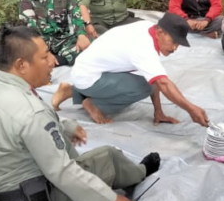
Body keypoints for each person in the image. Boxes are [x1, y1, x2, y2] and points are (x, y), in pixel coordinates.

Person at [0, 26, 161, 201]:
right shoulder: (32, 113)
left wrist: (65, 127)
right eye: (44, 57)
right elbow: (62, 172)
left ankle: (92, 196)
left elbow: (22, 128)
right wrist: (113, 200)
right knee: (108, 157)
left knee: (72, 153)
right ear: (21, 65)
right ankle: (139, 173)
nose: (53, 62)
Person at [52, 13, 210, 127]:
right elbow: (162, 83)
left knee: (149, 82)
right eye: (173, 42)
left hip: (88, 69)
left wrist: (159, 112)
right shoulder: (143, 48)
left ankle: (72, 91)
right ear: (161, 32)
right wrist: (191, 109)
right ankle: (93, 104)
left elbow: (154, 77)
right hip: (88, 77)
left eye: (178, 44)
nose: (175, 48)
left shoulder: (149, 28)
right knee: (144, 87)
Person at [20, 0, 90, 66]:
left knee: (93, 45)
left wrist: (81, 35)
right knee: (27, 53)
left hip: (64, 41)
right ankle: (55, 60)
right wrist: (45, 52)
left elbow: (77, 16)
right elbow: (31, 30)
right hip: (41, 43)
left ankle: (58, 60)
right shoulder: (28, 0)